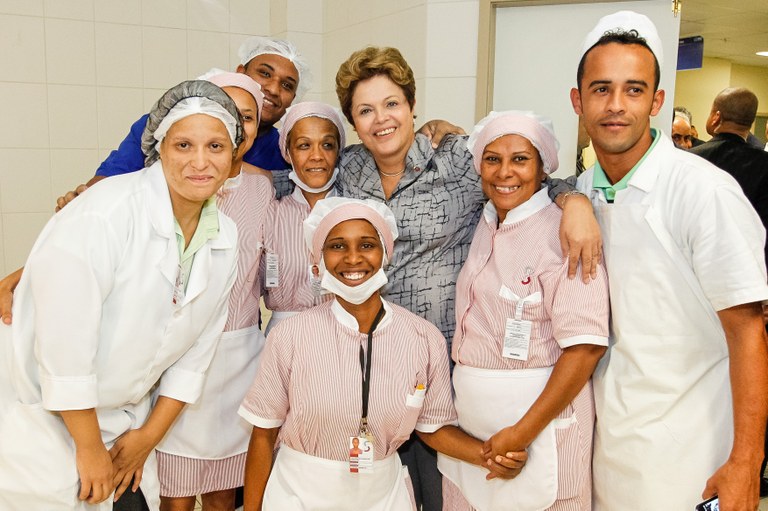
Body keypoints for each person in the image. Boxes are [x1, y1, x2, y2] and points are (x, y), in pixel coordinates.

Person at [333, 45, 602, 511]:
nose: (381, 119)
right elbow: (300, 181)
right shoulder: (349, 168)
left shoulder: (457, 159)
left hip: (447, 364)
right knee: (377, 490)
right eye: (366, 110)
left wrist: (575, 202)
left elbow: (524, 173)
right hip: (374, 357)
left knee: (442, 487)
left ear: (412, 106)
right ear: (353, 121)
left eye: (392, 103)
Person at [0, 79, 241, 510]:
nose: (200, 161)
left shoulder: (224, 234)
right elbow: (64, 347)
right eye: (183, 145)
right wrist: (89, 447)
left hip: (123, 419)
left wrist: (148, 437)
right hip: (39, 414)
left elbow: (197, 353)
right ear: (159, 148)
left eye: (216, 147)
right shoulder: (103, 213)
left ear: (234, 155)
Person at [569, 11, 768, 510]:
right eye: (601, 89)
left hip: (691, 459)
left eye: (634, 90)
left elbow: (748, 332)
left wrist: (747, 462)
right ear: (578, 100)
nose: (616, 105)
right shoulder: (580, 193)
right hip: (607, 449)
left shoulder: (704, 191)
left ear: (656, 101)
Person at [239, 197, 524, 511]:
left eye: (366, 245)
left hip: (384, 497)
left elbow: (433, 428)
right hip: (298, 494)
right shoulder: (290, 336)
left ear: (386, 254)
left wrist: (490, 456)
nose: (353, 258)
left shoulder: (422, 337)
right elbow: (263, 436)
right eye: (337, 246)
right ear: (318, 260)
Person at [439, 110, 609, 511]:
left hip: (537, 430)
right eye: (492, 159)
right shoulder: (485, 222)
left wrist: (521, 433)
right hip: (473, 433)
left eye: (520, 159)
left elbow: (585, 348)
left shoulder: (563, 233)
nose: (504, 172)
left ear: (542, 167)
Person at [154, 73, 274, 511]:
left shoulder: (265, 187)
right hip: (178, 356)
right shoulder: (173, 182)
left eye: (248, 117)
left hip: (240, 361)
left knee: (224, 493)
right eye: (228, 112)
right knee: (176, 496)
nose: (237, 124)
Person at [54, 36, 310, 212]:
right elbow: (109, 181)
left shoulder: (284, 151)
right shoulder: (166, 126)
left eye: (287, 85)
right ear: (240, 73)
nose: (272, 88)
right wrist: (83, 205)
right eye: (264, 73)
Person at [688, 87, 768, 498]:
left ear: (715, 117)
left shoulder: (691, 165)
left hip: (696, 304)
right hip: (752, 296)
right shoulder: (765, 167)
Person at [262, 101, 347, 333]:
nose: (317, 156)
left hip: (342, 333)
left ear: (338, 151)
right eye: (304, 145)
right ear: (288, 153)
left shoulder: (353, 213)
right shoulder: (270, 213)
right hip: (284, 334)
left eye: (327, 145)